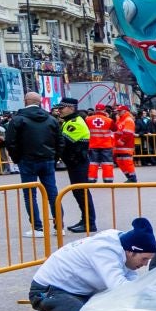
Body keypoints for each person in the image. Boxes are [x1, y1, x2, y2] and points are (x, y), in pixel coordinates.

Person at [26, 216, 156, 311]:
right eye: (144, 259)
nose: (145, 264)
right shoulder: (105, 250)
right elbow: (119, 288)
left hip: (77, 292)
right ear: (131, 252)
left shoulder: (125, 247)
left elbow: (133, 286)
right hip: (48, 290)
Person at [2, 98, 63, 237]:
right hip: (47, 159)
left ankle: (37, 227)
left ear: (25, 101)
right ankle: (59, 226)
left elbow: (10, 141)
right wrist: (54, 157)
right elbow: (60, 141)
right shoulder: (51, 119)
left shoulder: (18, 119)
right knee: (53, 193)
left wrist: (17, 158)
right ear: (39, 101)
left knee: (30, 195)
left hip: (27, 160)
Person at [55, 98, 96, 232]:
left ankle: (89, 222)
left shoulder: (75, 123)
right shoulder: (70, 122)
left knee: (81, 192)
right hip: (76, 162)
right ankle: (85, 220)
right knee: (78, 192)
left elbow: (63, 142)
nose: (59, 110)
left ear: (71, 108)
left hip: (78, 162)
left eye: (62, 108)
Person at [84, 104, 116, 181]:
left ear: (95, 110)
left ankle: (91, 179)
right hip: (106, 145)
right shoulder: (109, 120)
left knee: (93, 163)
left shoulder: (88, 119)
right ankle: (108, 179)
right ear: (104, 110)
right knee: (107, 163)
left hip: (93, 145)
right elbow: (115, 129)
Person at [114, 104, 138, 182]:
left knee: (127, 162)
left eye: (119, 111)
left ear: (125, 111)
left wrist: (120, 141)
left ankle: (132, 178)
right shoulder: (120, 119)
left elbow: (128, 133)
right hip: (119, 146)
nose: (118, 112)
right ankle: (129, 177)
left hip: (125, 146)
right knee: (120, 161)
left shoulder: (128, 120)